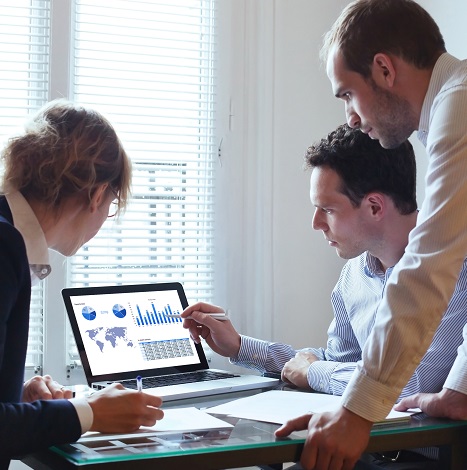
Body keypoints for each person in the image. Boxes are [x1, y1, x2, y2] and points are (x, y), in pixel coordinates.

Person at [181, 124, 467, 468]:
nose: (316, 223)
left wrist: (316, 372)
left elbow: (401, 386)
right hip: (365, 450)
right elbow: (335, 360)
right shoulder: (355, 275)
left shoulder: (452, 267)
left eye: (327, 209)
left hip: (429, 457)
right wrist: (240, 346)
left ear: (375, 207)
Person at [274, 1, 467, 469]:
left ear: (384, 69)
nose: (350, 118)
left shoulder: (459, 108)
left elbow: (427, 267)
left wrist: (357, 412)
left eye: (346, 95)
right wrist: (460, 389)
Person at [0, 99, 164, 468]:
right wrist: (86, 413)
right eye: (112, 202)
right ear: (96, 195)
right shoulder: (4, 247)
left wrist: (18, 397)